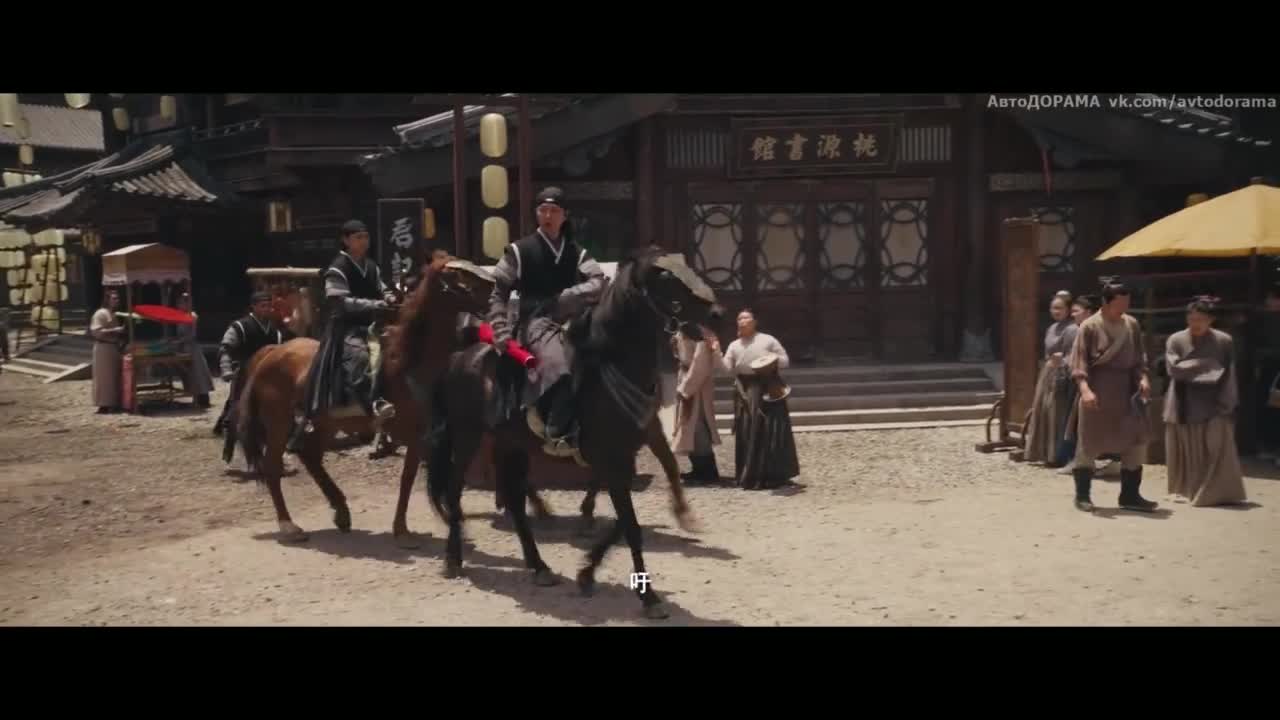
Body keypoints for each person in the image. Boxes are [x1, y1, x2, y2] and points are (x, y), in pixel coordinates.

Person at [486, 187, 606, 457]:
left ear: (565, 215)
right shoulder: (519, 251)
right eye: (543, 210)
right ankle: (556, 431)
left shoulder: (576, 252)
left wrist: (569, 296)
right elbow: (498, 293)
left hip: (573, 319)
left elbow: (599, 282)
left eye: (554, 211)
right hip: (535, 321)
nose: (548, 216)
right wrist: (499, 327)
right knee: (560, 366)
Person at [295, 219, 399, 448]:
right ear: (345, 240)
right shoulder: (337, 268)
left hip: (374, 323)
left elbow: (382, 288)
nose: (364, 241)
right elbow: (340, 302)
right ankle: (372, 403)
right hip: (347, 327)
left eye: (366, 237)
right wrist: (376, 304)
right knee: (360, 358)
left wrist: (390, 297)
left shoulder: (371, 266)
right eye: (358, 237)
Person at [1067, 281, 1157, 513]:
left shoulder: (1131, 324)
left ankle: (1130, 495)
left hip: (1127, 391)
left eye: (1127, 302)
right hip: (1098, 390)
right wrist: (1085, 389)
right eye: (1120, 302)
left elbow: (1139, 358)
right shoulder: (1089, 326)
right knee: (1089, 442)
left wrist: (1143, 378)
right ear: (1106, 302)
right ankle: (1083, 495)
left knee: (1135, 442)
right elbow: (1079, 362)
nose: (1125, 306)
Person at [1164, 296, 1248, 506]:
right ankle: (1187, 490)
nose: (1195, 323)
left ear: (1211, 319)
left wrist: (1227, 401)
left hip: (1215, 398)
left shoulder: (1224, 341)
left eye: (1200, 319)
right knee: (1187, 448)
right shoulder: (1176, 340)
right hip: (1184, 399)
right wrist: (1209, 365)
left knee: (1216, 447)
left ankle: (1218, 492)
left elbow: (1229, 372)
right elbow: (1174, 369)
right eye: (1191, 319)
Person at [723, 308, 799, 489]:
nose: (742, 321)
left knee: (773, 429)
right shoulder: (734, 345)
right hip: (747, 390)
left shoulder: (768, 340)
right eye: (739, 318)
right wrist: (715, 352)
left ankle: (776, 475)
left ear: (754, 321)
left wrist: (770, 360)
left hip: (770, 386)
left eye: (746, 317)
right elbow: (727, 369)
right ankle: (750, 475)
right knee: (748, 430)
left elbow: (785, 360)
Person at [213, 291, 288, 437]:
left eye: (269, 306)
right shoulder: (240, 326)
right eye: (263, 306)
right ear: (253, 307)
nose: (267, 309)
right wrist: (226, 368)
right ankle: (227, 426)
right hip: (245, 372)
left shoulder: (275, 332)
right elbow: (226, 348)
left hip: (269, 374)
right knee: (237, 402)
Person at [1024, 290, 1076, 465]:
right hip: (1048, 372)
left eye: (1060, 308)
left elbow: (1074, 354)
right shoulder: (1051, 328)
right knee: (1044, 411)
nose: (1056, 311)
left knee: (1056, 413)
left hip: (1063, 374)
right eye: (1053, 308)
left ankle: (1057, 455)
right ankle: (1042, 452)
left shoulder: (1072, 329)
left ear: (1068, 309)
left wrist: (1063, 359)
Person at [672, 327, 724, 484]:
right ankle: (697, 469)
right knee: (688, 427)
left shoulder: (702, 335)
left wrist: (686, 389)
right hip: (685, 378)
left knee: (698, 426)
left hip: (697, 386)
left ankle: (708, 472)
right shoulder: (682, 330)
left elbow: (700, 364)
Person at [1055, 294, 1096, 471]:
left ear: (1088, 312)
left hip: (1089, 382)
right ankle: (1076, 459)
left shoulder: (1091, 331)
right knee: (1074, 422)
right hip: (1076, 381)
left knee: (1083, 423)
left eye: (1076, 311)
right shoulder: (1075, 330)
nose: (1073, 315)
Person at [89, 289, 125, 414]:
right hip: (103, 348)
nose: (116, 301)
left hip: (113, 347)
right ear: (107, 300)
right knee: (104, 377)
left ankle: (113, 402)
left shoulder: (113, 314)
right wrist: (115, 330)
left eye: (117, 298)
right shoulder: (100, 314)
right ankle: (103, 404)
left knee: (113, 377)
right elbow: (96, 331)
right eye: (114, 298)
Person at [1256, 285, 1280, 467]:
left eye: (1271, 298)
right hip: (1271, 371)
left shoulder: (1270, 320)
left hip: (1274, 370)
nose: (1268, 302)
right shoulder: (1265, 318)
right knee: (1272, 410)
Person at [177, 292, 213, 408]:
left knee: (198, 373)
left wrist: (179, 341)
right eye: (180, 302)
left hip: (192, 348)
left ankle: (201, 399)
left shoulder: (192, 316)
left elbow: (192, 335)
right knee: (188, 374)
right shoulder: (179, 316)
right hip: (183, 348)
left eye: (183, 302)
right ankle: (194, 396)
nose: (180, 305)